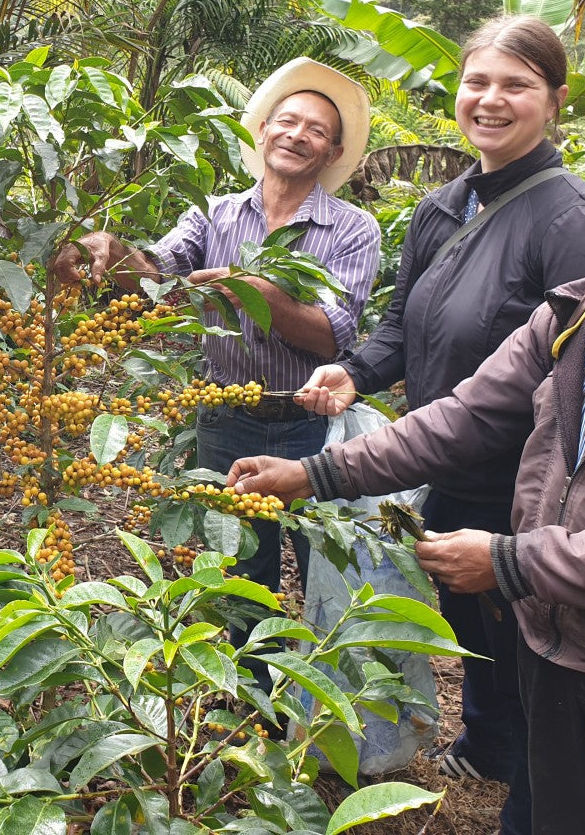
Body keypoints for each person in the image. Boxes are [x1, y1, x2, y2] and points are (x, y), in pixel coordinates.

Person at [230, 58, 585, 835]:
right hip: (556, 643)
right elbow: (465, 416)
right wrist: (313, 472)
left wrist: (509, 560)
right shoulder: (581, 313)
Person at [291, 16, 585, 834]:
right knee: (470, 619)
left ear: (556, 102)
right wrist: (355, 370)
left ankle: (530, 785)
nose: (491, 100)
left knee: (524, 636)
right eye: (479, 82)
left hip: (518, 483)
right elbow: (404, 321)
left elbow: (573, 379)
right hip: (441, 463)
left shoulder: (574, 220)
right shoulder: (444, 206)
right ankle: (487, 742)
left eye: (516, 85)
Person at [53, 57, 381, 659]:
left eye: (315, 130)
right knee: (239, 576)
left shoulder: (352, 229)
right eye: (287, 121)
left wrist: (257, 292)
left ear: (332, 153)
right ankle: (250, 709)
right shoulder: (216, 213)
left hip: (312, 425)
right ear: (262, 133)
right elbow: (157, 270)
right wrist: (106, 248)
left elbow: (331, 336)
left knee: (323, 575)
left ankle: (316, 718)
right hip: (226, 421)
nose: (296, 134)